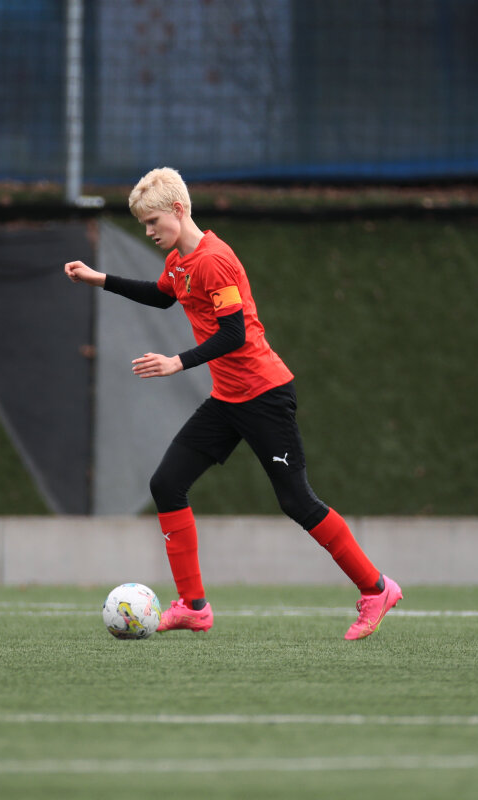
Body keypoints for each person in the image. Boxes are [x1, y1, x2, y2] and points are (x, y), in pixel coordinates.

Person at [64, 167, 401, 640]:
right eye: (144, 225)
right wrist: (99, 278)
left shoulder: (214, 260)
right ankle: (193, 606)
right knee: (167, 484)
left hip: (264, 395)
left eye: (153, 222)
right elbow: (162, 297)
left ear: (178, 210)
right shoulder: (179, 262)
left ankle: (376, 588)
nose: (149, 231)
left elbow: (234, 333)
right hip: (227, 398)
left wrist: (178, 362)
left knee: (297, 501)